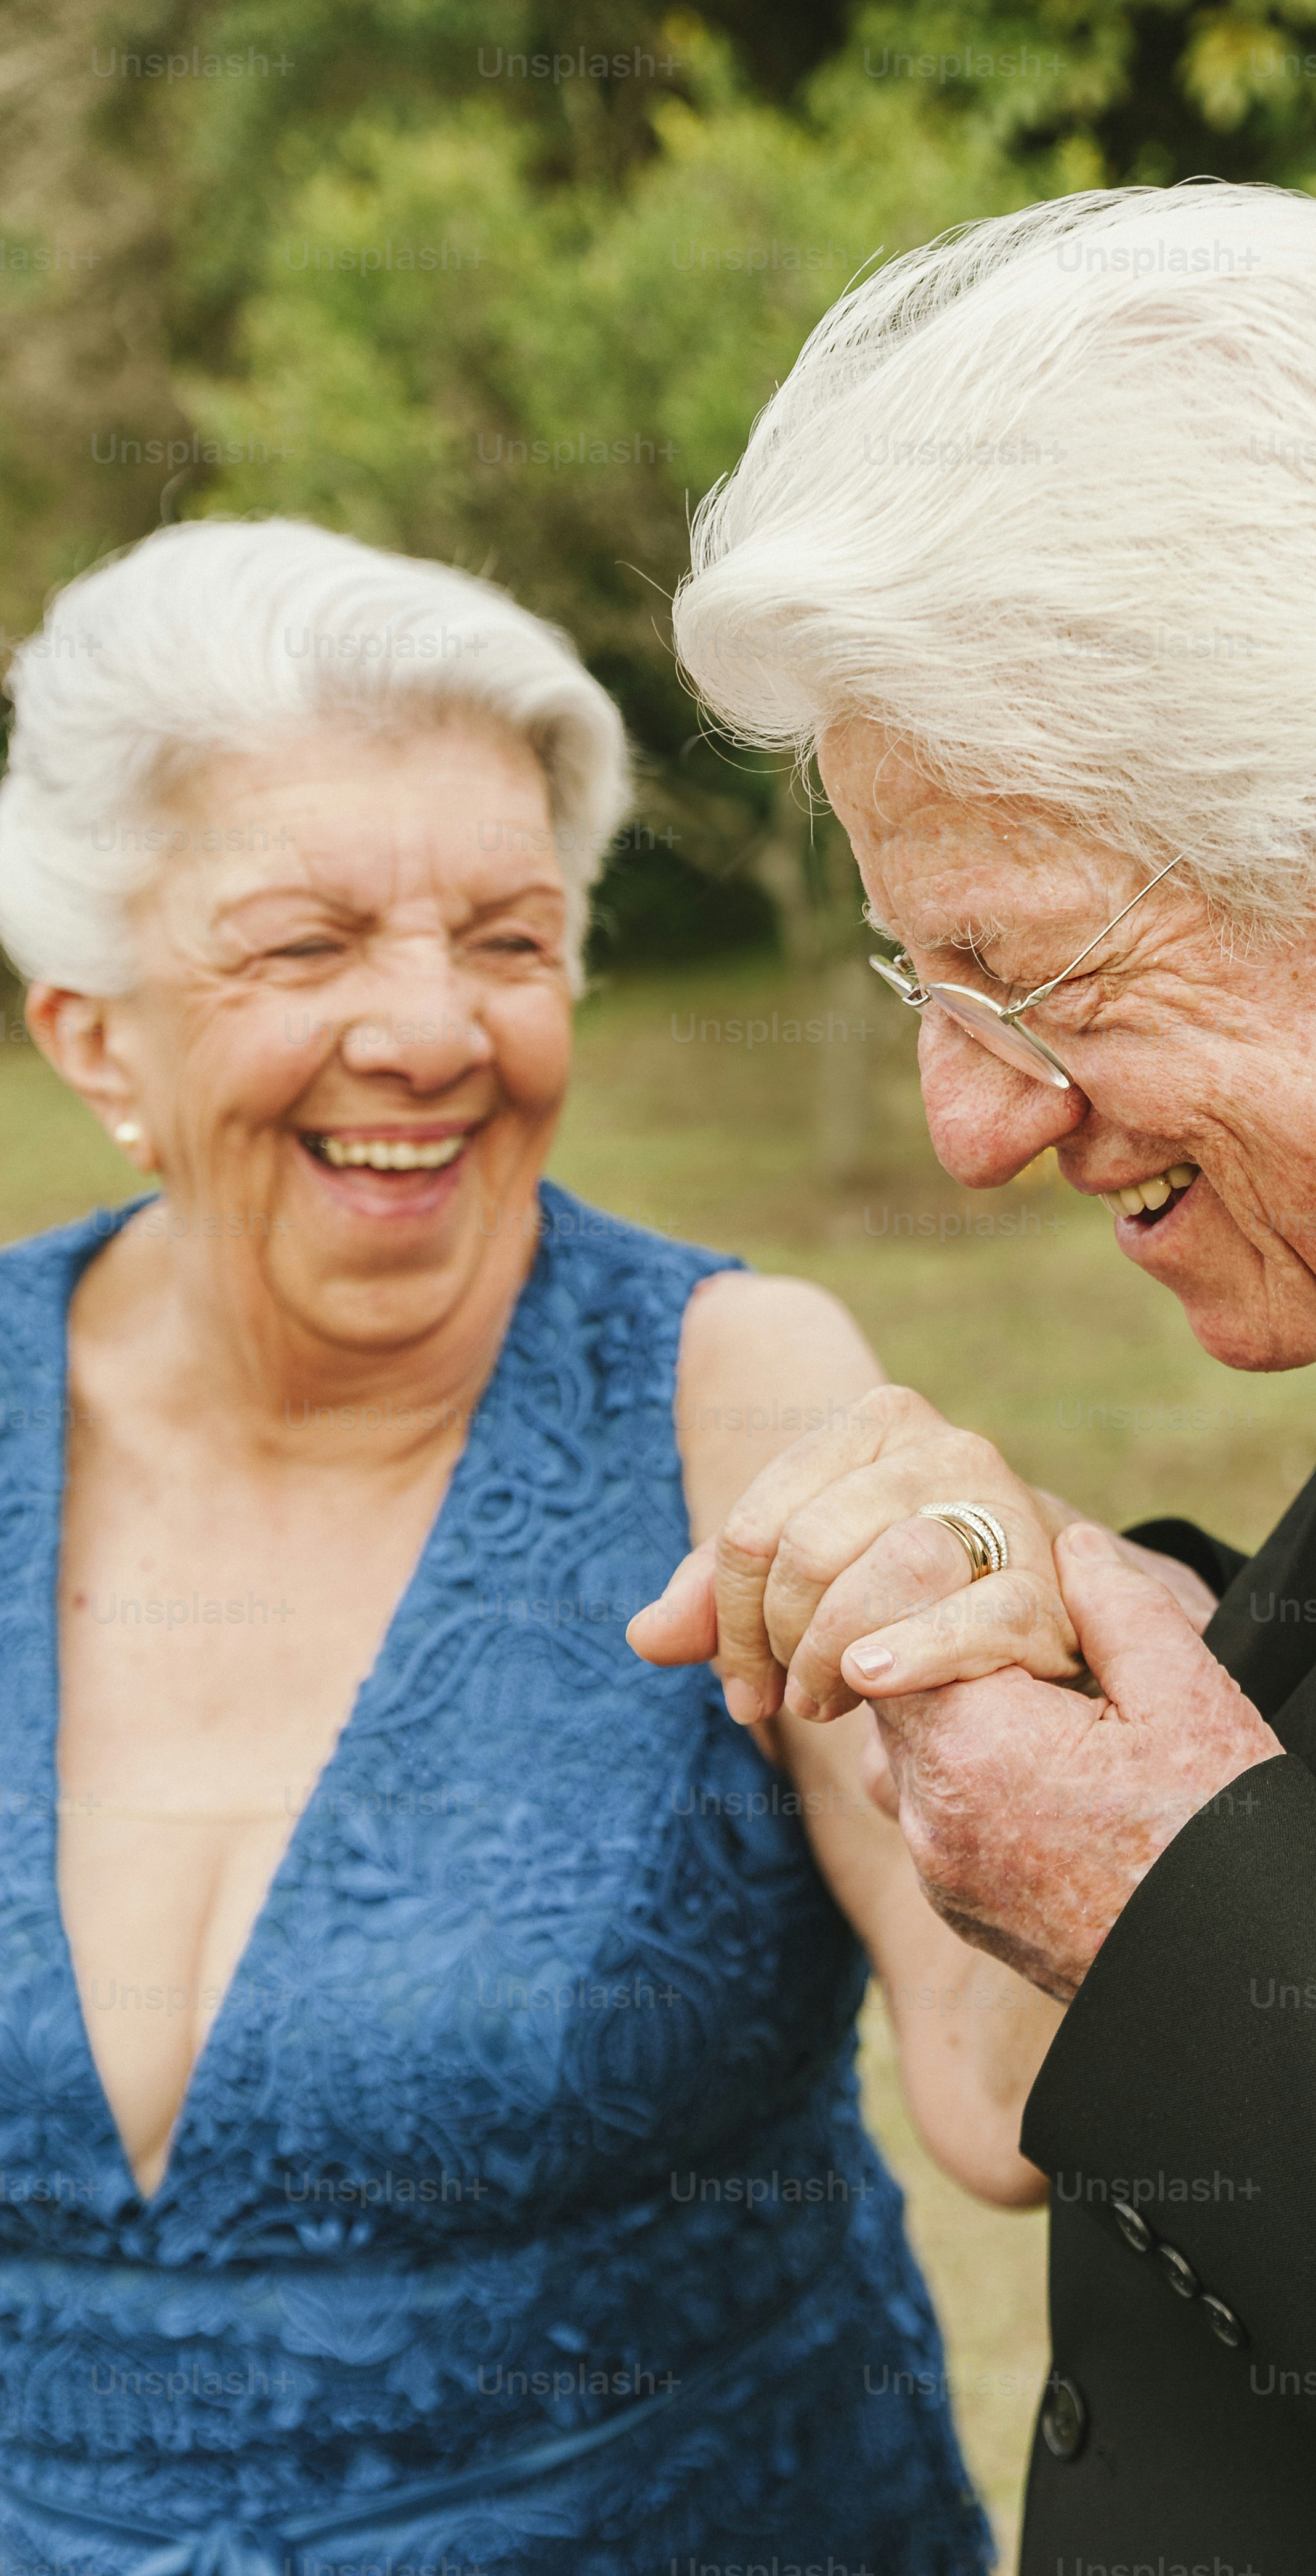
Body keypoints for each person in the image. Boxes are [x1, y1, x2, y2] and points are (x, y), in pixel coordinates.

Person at [651, 182, 1316, 2571]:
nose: (968, 1120)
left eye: (1031, 979)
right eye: (927, 992)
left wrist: (1170, 1901)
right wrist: (1146, 1634)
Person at [0, 516, 1061, 2575]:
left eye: (503, 939)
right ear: (93, 1032)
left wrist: (1052, 1657)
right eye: (306, 947)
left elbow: (1013, 2098)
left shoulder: (733, 1391)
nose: (431, 1032)